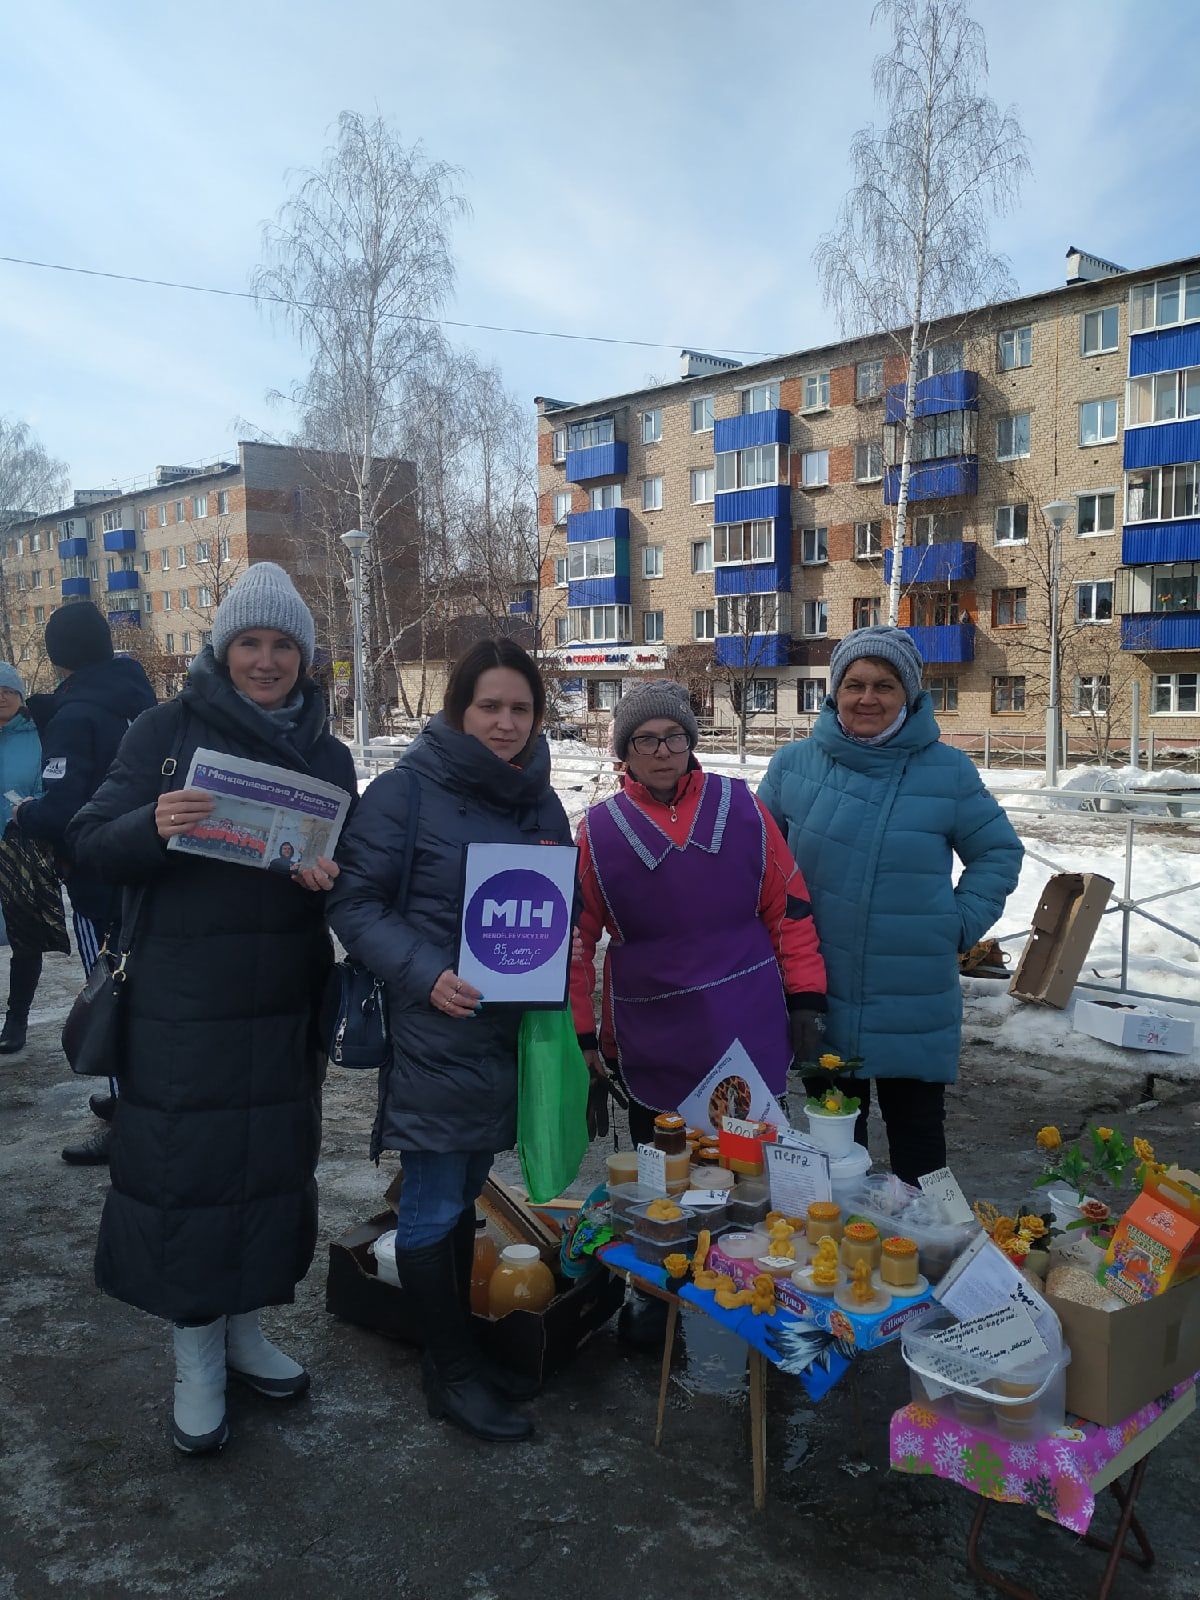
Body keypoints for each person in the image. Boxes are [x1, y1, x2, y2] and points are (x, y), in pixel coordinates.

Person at [68, 562, 356, 1456]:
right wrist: (151, 824)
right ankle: (195, 1357)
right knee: (184, 1179)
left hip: (280, 1006)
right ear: (222, 648)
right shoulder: (163, 731)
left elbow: (348, 885)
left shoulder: (329, 752)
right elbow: (87, 846)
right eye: (250, 643)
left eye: (283, 646)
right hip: (179, 1010)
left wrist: (329, 883)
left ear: (304, 658)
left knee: (265, 1174)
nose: (266, 661)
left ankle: (242, 1333)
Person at [328, 638, 572, 1445]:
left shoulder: (541, 802)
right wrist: (427, 973)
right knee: (434, 1202)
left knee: (467, 1189)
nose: (505, 724)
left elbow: (546, 903)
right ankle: (450, 1375)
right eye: (489, 706)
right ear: (458, 709)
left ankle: (459, 1346)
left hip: (510, 1033)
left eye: (520, 709)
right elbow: (355, 907)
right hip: (437, 1025)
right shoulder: (405, 793)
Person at [569, 679, 826, 1345]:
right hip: (653, 1038)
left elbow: (788, 906)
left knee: (754, 1179)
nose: (661, 750)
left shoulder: (741, 808)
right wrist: (583, 1035)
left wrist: (805, 997)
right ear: (625, 751)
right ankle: (656, 1303)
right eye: (645, 739)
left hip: (748, 1024)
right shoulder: (596, 832)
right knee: (663, 1182)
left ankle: (771, 1298)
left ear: (690, 741)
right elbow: (577, 938)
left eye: (673, 736)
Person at [757, 625, 1023, 1185]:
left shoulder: (946, 770)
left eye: (885, 685)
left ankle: (924, 1261)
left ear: (911, 695)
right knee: (830, 1163)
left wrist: (957, 924)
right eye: (854, 683)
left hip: (914, 995)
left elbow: (997, 851)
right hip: (819, 991)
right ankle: (831, 1268)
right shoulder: (792, 766)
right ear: (834, 692)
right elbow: (757, 866)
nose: (867, 698)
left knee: (919, 1160)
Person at [15, 603, 156, 1159]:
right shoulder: (139, 700)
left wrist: (23, 813)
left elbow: (65, 809)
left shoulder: (76, 717)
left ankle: (130, 1116)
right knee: (139, 982)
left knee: (112, 990)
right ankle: (133, 1097)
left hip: (98, 873)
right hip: (147, 863)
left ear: (58, 655)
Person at [0, 664, 45, 1053]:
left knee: (24, 936)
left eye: (8, 689)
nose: (1, 696)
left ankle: (17, 1020)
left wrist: (34, 808)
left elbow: (50, 785)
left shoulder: (38, 736)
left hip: (20, 847)